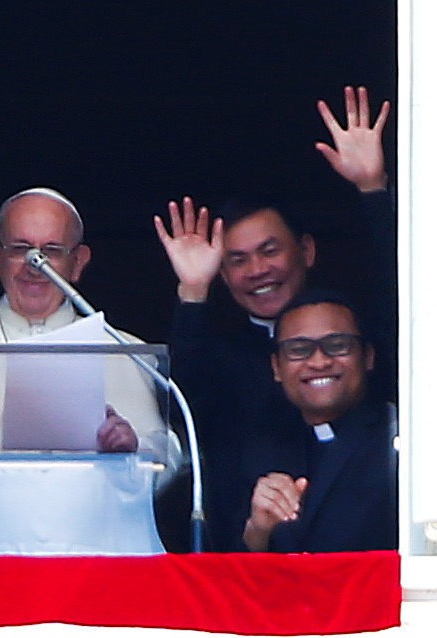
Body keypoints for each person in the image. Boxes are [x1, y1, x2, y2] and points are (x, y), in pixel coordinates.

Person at [154, 85, 395, 551]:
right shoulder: (224, 358)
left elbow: (405, 296)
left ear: (305, 251)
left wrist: (372, 189)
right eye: (237, 260)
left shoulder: (359, 330)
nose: (258, 271)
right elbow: (186, 401)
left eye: (270, 251)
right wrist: (193, 292)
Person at [0, 187, 173, 462]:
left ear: (77, 262)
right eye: (20, 249)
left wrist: (133, 447)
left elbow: (165, 454)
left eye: (52, 250)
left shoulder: (121, 348)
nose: (35, 264)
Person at [240, 292, 396, 553]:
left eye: (337, 345)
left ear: (368, 356)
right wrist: (258, 530)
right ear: (277, 367)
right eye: (298, 350)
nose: (319, 361)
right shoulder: (262, 454)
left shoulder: (399, 440)